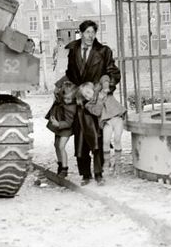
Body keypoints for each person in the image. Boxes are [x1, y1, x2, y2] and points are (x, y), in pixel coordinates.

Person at [64, 20, 121, 186]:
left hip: (96, 102)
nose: (90, 36)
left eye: (93, 32)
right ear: (81, 33)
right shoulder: (73, 51)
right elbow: (70, 73)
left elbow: (113, 73)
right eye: (87, 32)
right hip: (80, 102)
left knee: (97, 138)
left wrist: (103, 89)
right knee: (81, 140)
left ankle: (98, 174)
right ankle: (85, 175)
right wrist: (74, 91)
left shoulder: (103, 51)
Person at [45, 80, 77, 178]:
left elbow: (69, 122)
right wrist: (57, 86)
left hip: (66, 128)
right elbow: (58, 92)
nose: (67, 101)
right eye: (65, 98)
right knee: (57, 145)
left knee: (61, 146)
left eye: (69, 99)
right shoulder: (62, 100)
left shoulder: (71, 108)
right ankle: (60, 164)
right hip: (58, 126)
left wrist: (58, 123)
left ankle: (64, 168)